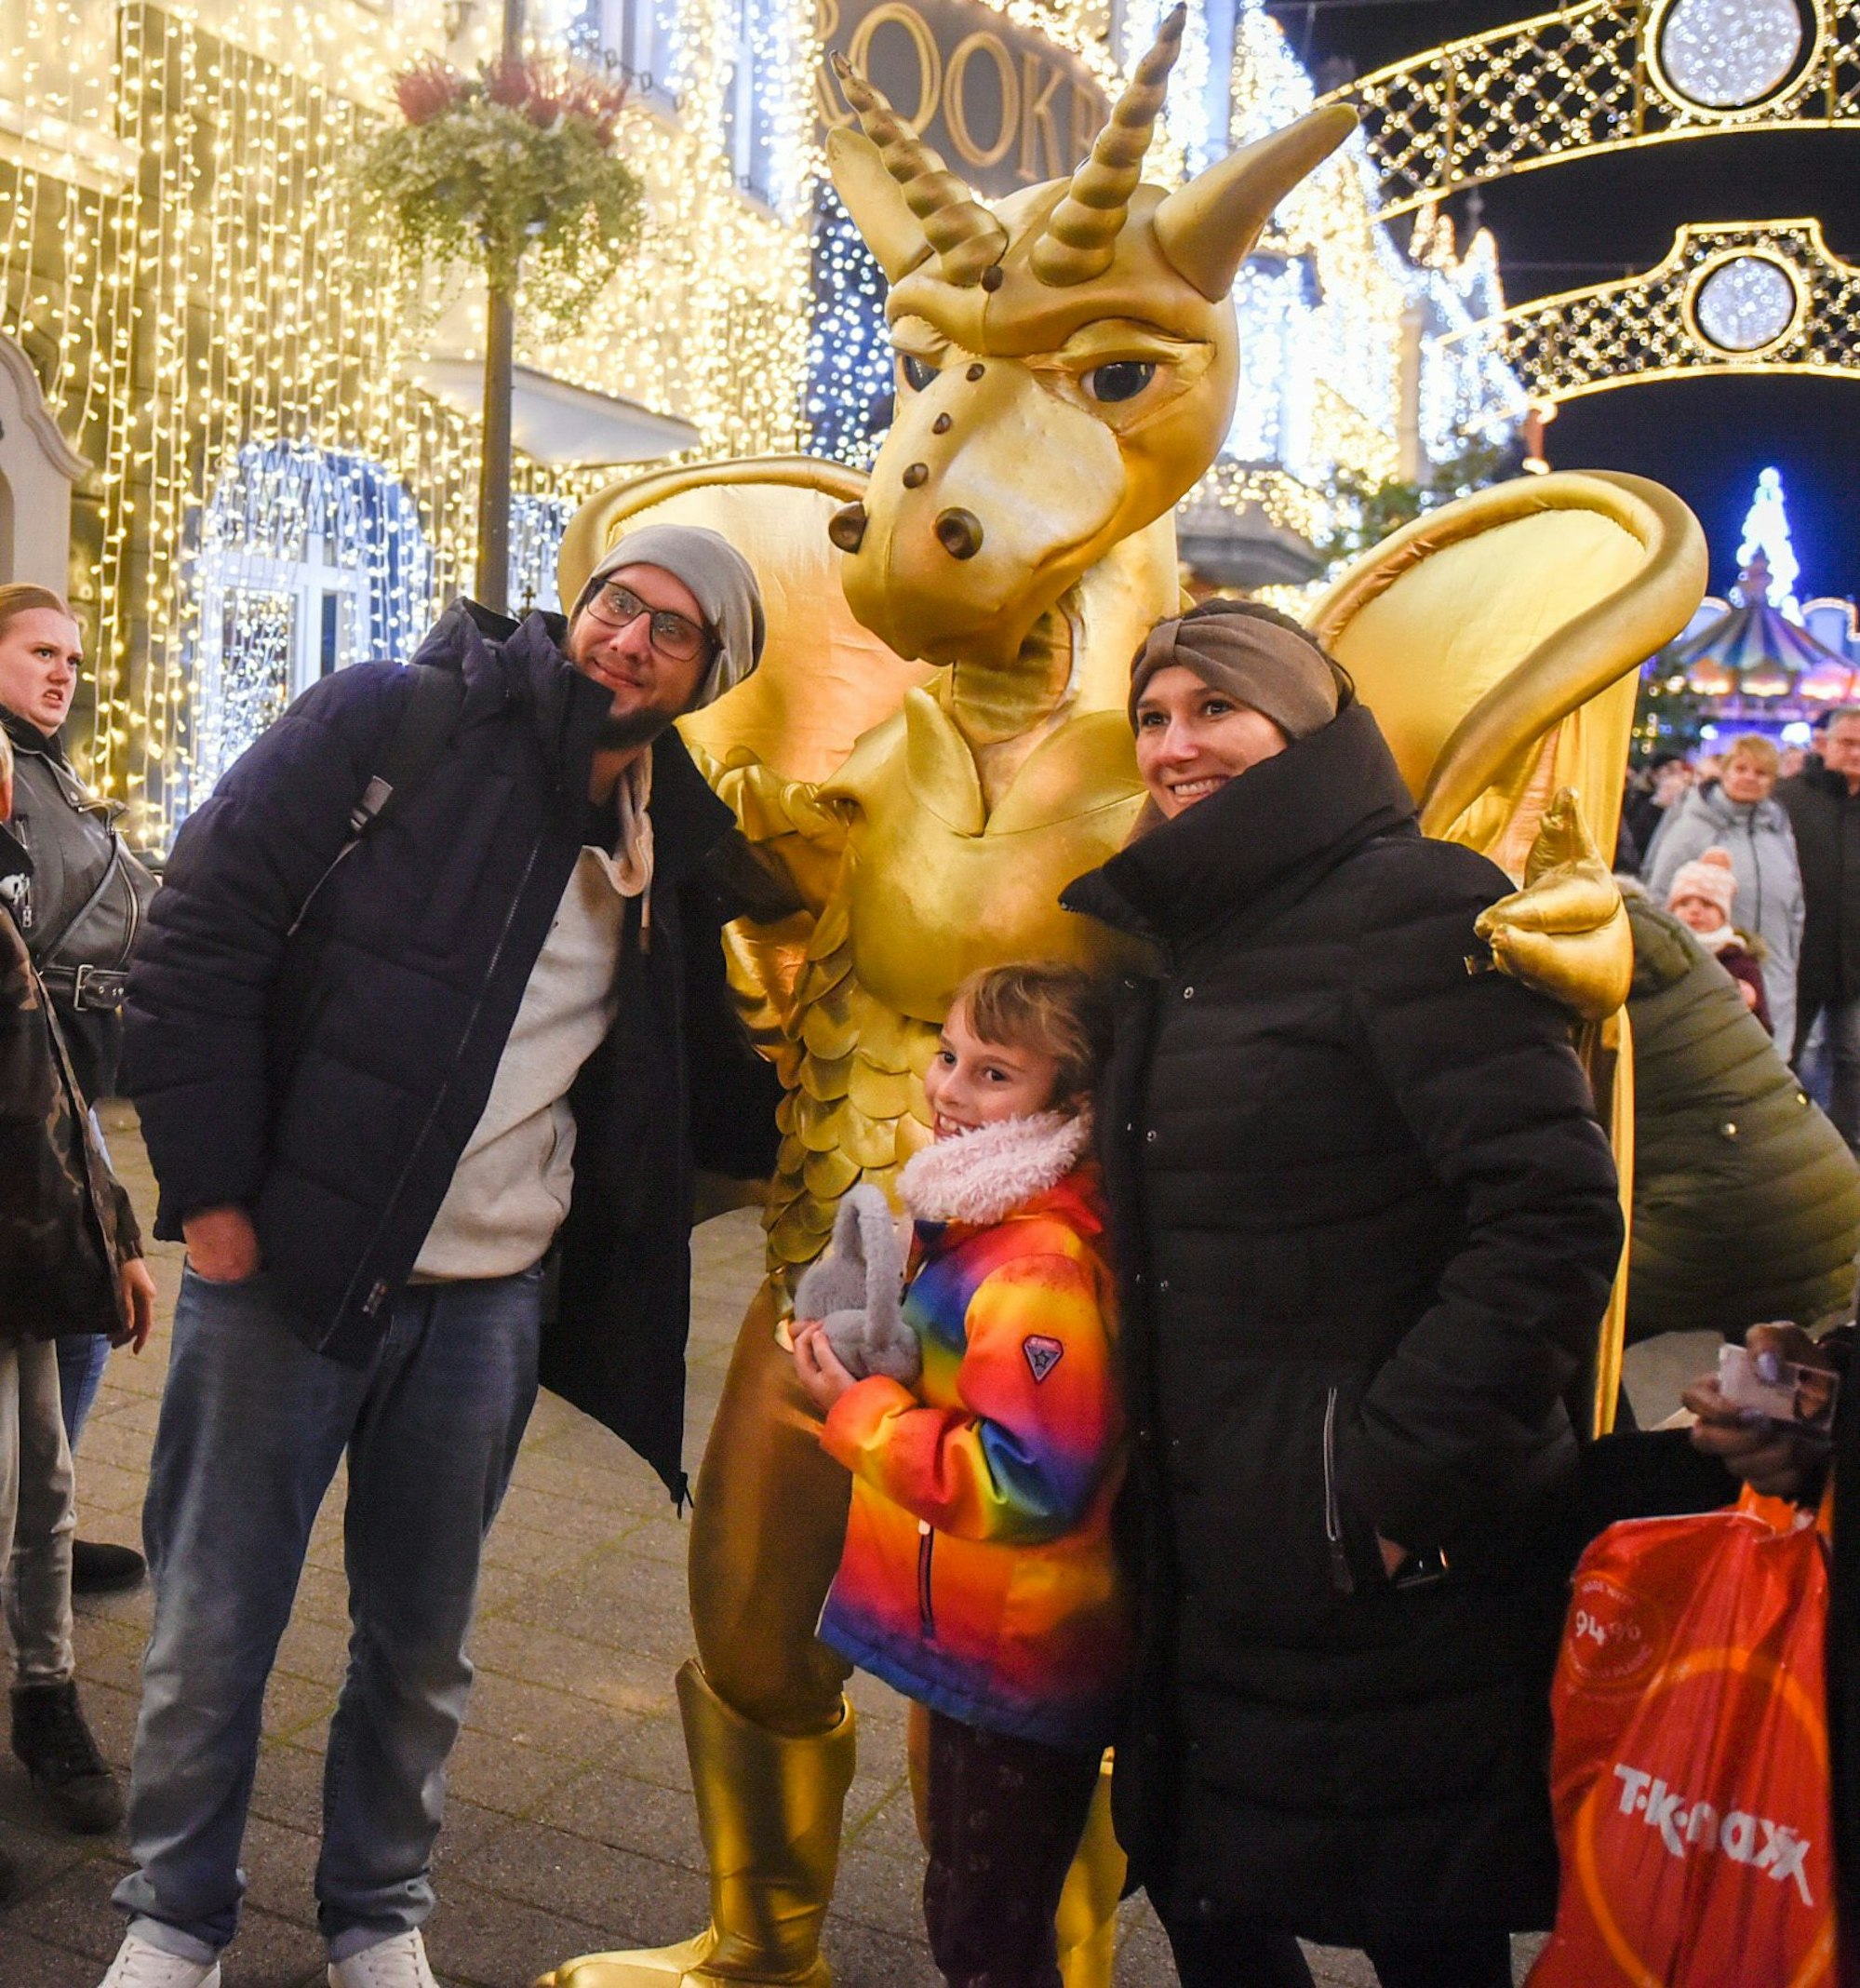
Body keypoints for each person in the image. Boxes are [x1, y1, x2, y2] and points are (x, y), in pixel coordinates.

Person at [101, 529, 769, 1988]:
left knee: (420, 1646)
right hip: (284, 1264)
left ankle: (375, 1914)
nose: (628, 640)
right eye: (616, 604)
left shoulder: (673, 847)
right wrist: (212, 1196)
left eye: (672, 633)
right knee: (215, 1620)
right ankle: (174, 1916)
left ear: (707, 676)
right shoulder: (391, 716)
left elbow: (692, 1081)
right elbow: (197, 935)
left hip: (486, 1302)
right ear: (578, 608)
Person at [1059, 599, 1625, 1988]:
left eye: (1213, 709)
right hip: (1211, 1540)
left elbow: (1550, 1216)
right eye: (1151, 716)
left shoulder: (1410, 902)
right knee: (1213, 1894)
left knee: (1418, 1917)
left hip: (1370, 1557)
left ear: (1300, 722)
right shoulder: (1175, 930)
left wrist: (1384, 1483)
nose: (1175, 746)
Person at [791, 961, 1128, 1988]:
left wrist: (861, 1415)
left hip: (1015, 1655)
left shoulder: (1037, 1268)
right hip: (977, 1642)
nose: (946, 1090)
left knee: (986, 1928)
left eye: (993, 1076)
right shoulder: (975, 1226)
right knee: (967, 1904)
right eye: (947, 1056)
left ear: (1067, 1108)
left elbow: (1030, 1478)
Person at [0, 719, 156, 1897]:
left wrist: (115, 1229)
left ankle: (44, 1697)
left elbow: (45, 1070)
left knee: (43, 1480)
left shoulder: (6, 875)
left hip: (21, 1252)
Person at [0, 584, 156, 1595]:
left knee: (79, 1327)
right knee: (59, 1323)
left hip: (69, 1090)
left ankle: (37, 1537)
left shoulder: (49, 768)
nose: (64, 671)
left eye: (73, 657)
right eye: (39, 652)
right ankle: (29, 1547)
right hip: (24, 1089)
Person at [1615, 881, 1860, 1346]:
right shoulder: (1703, 965)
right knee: (1765, 1368)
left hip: (1727, 1216)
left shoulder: (1587, 987)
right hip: (1830, 1200)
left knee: (1568, 1312)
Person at [1643, 733, 1803, 1051]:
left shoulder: (1778, 831)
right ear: (1725, 771)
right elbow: (1659, 897)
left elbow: (1794, 904)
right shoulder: (1692, 827)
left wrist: (1789, 959)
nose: (1749, 778)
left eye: (1761, 773)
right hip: (1708, 974)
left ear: (1773, 781)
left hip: (1774, 976)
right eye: (1741, 768)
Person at [1778, 705, 1860, 1146]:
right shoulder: (1789, 798)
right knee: (1785, 1059)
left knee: (1853, 1059)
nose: (1856, 753)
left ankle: (1848, 1148)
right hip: (1799, 958)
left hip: (1854, 962)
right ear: (1823, 743)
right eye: (1847, 742)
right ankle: (1789, 1145)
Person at [1664, 847, 1772, 1029]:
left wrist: (1752, 1003)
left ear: (1723, 915)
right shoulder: (1664, 953)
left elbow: (1764, 1027)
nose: (1694, 911)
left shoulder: (1740, 963)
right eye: (1684, 903)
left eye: (1706, 904)